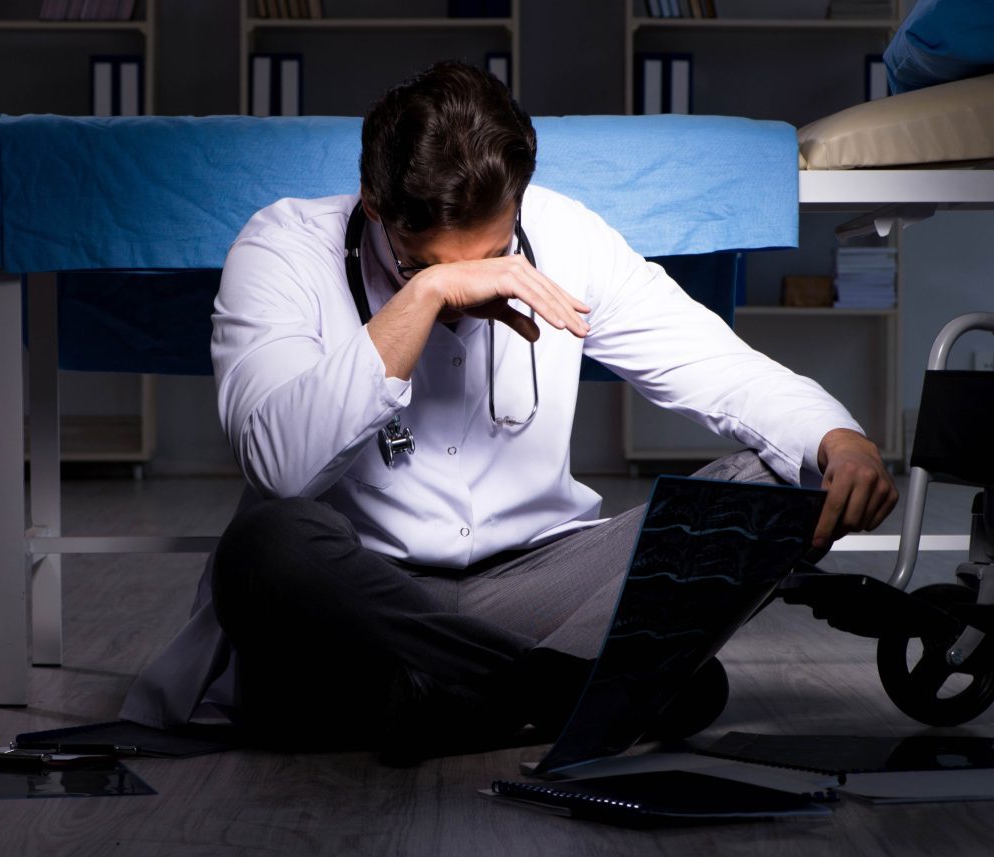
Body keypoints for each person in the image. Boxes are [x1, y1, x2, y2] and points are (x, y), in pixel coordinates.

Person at [198, 61, 898, 762]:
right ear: (374, 205)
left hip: (539, 586)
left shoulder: (569, 235)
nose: (470, 291)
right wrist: (423, 300)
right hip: (371, 600)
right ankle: (572, 694)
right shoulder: (283, 248)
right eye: (424, 264)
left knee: (777, 483)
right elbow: (279, 464)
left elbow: (715, 365)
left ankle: (456, 701)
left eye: (495, 252)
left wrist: (839, 439)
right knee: (266, 547)